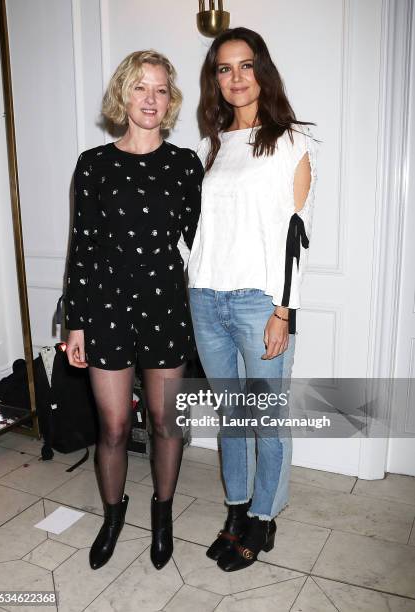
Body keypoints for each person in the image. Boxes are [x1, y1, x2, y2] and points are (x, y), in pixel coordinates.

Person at [64, 50, 203, 571]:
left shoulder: (185, 164)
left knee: (167, 423)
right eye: (141, 87)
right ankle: (112, 514)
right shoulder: (93, 164)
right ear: (123, 94)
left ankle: (162, 514)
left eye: (161, 89)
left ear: (170, 101)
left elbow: (203, 243)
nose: (151, 98)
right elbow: (83, 247)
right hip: (105, 309)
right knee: (115, 428)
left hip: (166, 307)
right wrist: (75, 322)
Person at [188, 27, 317, 572]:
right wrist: (188, 273)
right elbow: (194, 229)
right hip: (205, 298)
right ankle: (237, 511)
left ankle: (264, 517)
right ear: (213, 80)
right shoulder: (209, 147)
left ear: (261, 70)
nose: (235, 78)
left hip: (258, 302)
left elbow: (298, 232)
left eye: (244, 65)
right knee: (232, 418)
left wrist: (283, 310)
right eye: (223, 69)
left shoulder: (290, 140)